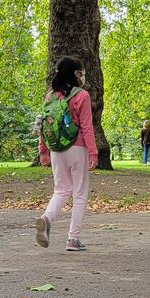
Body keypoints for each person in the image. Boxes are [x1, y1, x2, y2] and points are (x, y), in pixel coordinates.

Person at [35, 56, 98, 253]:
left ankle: (46, 218)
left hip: (56, 150)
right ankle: (73, 239)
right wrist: (93, 153)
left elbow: (44, 125)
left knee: (61, 190)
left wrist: (43, 150)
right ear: (75, 74)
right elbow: (87, 127)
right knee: (79, 193)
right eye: (80, 72)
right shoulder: (82, 96)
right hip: (77, 148)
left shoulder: (50, 96)